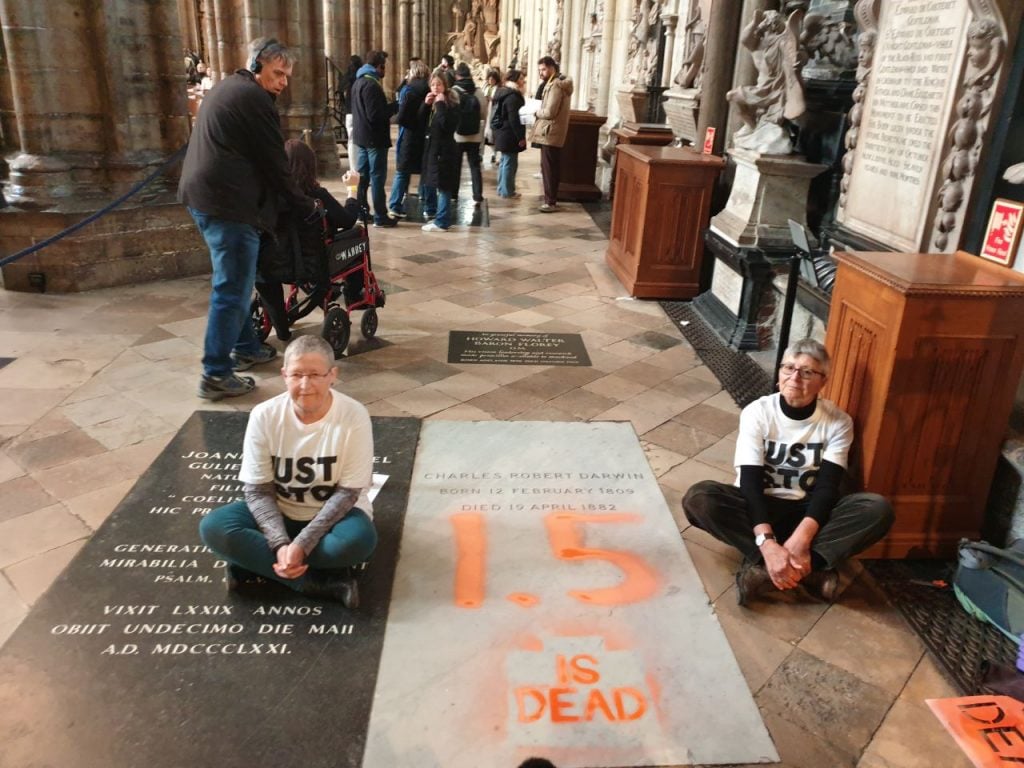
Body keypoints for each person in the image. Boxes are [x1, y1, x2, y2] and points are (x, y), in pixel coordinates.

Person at [682, 339, 893, 606]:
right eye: (788, 368)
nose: (795, 378)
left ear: (823, 381)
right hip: (758, 509)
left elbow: (828, 486)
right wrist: (768, 541)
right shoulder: (757, 413)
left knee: (877, 509)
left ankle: (773, 569)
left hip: (808, 514)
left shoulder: (838, 422)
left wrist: (802, 538)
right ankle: (792, 566)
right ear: (779, 372)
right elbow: (749, 482)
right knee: (700, 498)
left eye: (807, 372)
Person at [179, 37, 319, 401]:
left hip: (204, 197)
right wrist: (304, 205)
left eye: (287, 76)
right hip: (228, 205)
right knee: (232, 288)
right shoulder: (254, 99)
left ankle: (246, 345)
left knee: (236, 281)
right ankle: (215, 373)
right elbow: (276, 164)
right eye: (277, 73)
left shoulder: (229, 86)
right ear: (257, 64)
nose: (283, 82)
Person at [199, 335, 378, 608]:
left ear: (333, 375)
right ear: (284, 376)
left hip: (333, 519)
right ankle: (314, 583)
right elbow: (257, 490)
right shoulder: (264, 415)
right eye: (296, 375)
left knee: (359, 542)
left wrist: (300, 545)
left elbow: (347, 493)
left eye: (315, 375)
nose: (305, 385)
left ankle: (253, 565)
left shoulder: (354, 415)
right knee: (214, 527)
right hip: (279, 512)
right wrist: (280, 544)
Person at [256, 139, 360, 341]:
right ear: (310, 166)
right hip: (310, 266)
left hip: (270, 266)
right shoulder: (316, 196)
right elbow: (347, 220)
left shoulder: (267, 196)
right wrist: (352, 191)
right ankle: (355, 293)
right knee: (357, 234)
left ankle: (282, 329)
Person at [350, 50, 396, 228]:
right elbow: (375, 116)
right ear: (379, 66)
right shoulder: (371, 85)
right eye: (384, 67)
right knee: (377, 178)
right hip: (374, 140)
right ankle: (380, 216)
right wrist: (394, 107)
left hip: (362, 137)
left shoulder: (358, 82)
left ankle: (361, 213)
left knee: (362, 178)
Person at [387, 60, 431, 221]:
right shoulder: (428, 90)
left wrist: (394, 118)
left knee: (402, 172)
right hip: (425, 136)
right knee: (425, 173)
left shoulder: (409, 90)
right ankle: (427, 205)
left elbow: (404, 116)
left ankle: (395, 205)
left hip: (410, 137)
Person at [529, 56, 573, 213]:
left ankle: (550, 201)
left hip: (550, 131)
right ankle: (550, 199)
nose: (541, 73)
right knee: (549, 167)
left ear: (552, 68)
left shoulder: (555, 86)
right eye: (540, 70)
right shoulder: (554, 83)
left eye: (544, 69)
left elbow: (550, 111)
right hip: (551, 131)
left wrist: (535, 112)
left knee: (549, 168)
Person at [418, 70, 460, 232]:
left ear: (445, 85)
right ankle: (435, 214)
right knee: (432, 183)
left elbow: (447, 126)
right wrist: (425, 105)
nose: (435, 87)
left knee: (443, 185)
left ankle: (442, 221)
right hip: (432, 149)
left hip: (444, 150)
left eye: (439, 84)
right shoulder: (434, 102)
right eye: (433, 84)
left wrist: (440, 104)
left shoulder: (450, 103)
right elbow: (421, 123)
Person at [490, 69, 526, 199]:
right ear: (515, 80)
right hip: (509, 134)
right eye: (521, 79)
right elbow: (514, 119)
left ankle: (502, 189)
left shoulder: (502, 91)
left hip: (501, 132)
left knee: (505, 161)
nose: (524, 81)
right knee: (510, 163)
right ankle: (507, 191)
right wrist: (520, 137)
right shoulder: (512, 96)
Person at [452, 62, 485, 205]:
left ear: (457, 75)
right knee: (475, 166)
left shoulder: (453, 91)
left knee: (455, 166)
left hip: (457, 135)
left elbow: (449, 113)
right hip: (475, 135)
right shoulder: (478, 91)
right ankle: (477, 195)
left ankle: (453, 194)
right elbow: (483, 113)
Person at [482, 68, 501, 165]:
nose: (490, 81)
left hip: (493, 112)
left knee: (493, 135)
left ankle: (495, 154)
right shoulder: (486, 87)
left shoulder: (498, 89)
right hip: (486, 112)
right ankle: (488, 154)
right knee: (486, 136)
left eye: (492, 79)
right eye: (489, 79)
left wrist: (491, 99)